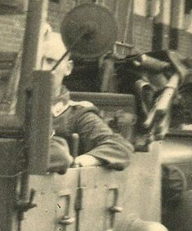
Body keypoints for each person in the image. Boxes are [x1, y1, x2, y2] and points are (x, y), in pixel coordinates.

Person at [40, 28, 133, 170]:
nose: (42, 68)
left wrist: (85, 160)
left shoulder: (75, 114)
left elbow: (119, 147)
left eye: (50, 61)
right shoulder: (10, 109)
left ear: (68, 68)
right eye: (37, 60)